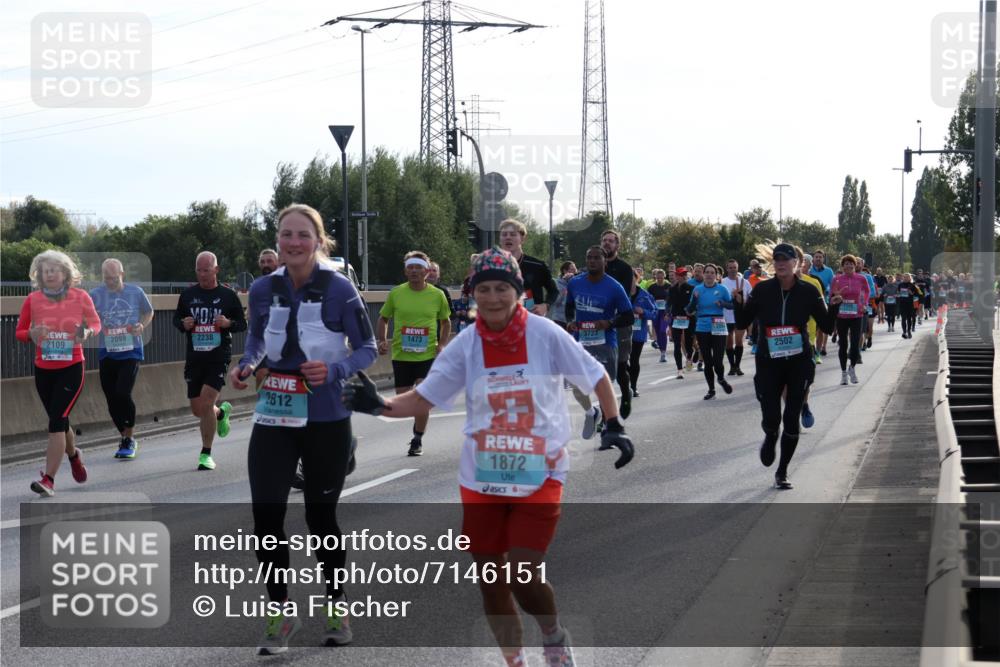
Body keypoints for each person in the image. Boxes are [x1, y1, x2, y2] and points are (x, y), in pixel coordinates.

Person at [342, 247, 634, 667]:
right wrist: (377, 404)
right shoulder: (465, 345)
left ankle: (553, 636)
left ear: (517, 291)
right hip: (482, 476)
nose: (493, 298)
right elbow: (425, 397)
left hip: (540, 470)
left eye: (502, 288)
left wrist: (614, 423)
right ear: (472, 294)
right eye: (484, 290)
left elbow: (596, 376)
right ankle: (514, 660)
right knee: (491, 581)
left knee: (521, 572)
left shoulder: (545, 334)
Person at [229, 203, 378, 654]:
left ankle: (336, 604)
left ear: (318, 241)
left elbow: (368, 347)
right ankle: (280, 613)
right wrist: (247, 363)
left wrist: (335, 371)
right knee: (266, 515)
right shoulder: (260, 289)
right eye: (285, 234)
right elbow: (256, 339)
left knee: (320, 516)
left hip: (327, 415)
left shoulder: (339, 288)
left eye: (302, 235)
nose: (293, 242)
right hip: (275, 412)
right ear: (278, 240)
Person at [736, 243, 841, 489]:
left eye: (786, 258)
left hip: (799, 362)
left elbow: (826, 326)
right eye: (777, 259)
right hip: (768, 363)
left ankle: (782, 471)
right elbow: (742, 322)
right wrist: (739, 303)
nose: (781, 263)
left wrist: (834, 306)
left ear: (797, 263)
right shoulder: (762, 290)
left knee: (792, 417)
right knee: (772, 418)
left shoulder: (808, 291)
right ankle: (771, 434)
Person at [16, 250, 100, 496]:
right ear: (39, 275)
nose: (50, 273)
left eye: (55, 269)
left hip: (71, 367)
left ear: (66, 273)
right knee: (60, 421)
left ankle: (49, 479)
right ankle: (73, 456)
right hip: (43, 369)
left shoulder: (80, 296)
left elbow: (96, 323)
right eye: (46, 270)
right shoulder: (32, 300)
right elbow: (20, 332)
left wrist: (86, 333)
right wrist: (31, 334)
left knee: (55, 422)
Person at [173, 251, 246, 470]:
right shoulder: (187, 296)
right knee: (199, 409)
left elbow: (242, 324)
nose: (202, 274)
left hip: (218, 356)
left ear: (216, 270)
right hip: (195, 358)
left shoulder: (228, 295)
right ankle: (221, 412)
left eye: (206, 270)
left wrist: (227, 324)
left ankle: (206, 454)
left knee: (205, 402)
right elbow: (177, 319)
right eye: (199, 270)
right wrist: (183, 324)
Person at [376, 250, 452, 457]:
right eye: (410, 267)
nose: (414, 271)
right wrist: (382, 340)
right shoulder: (396, 293)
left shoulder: (437, 295)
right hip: (401, 354)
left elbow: (446, 322)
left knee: (422, 398)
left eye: (418, 267)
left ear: (427, 271)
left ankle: (417, 439)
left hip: (426, 355)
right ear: (405, 271)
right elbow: (383, 318)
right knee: (404, 399)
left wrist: (442, 344)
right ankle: (417, 429)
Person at [565, 246, 635, 434]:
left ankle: (606, 426)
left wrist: (609, 322)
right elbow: (569, 307)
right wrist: (571, 321)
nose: (592, 261)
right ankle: (591, 412)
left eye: (597, 258)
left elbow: (628, 317)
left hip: (605, 343)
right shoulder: (575, 283)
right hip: (581, 341)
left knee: (604, 386)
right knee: (577, 386)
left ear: (605, 261)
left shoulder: (614, 287)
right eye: (589, 258)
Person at [89, 258, 154, 459]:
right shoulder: (95, 295)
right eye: (106, 278)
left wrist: (142, 325)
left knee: (123, 393)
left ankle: (129, 438)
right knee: (111, 399)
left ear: (122, 275)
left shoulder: (135, 292)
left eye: (114, 278)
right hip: (107, 352)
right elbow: (86, 317)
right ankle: (124, 436)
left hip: (131, 351)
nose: (110, 282)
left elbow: (149, 311)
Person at [600, 229, 636, 419]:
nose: (607, 243)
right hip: (598, 325)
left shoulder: (624, 268)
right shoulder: (594, 265)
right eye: (604, 240)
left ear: (617, 245)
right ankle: (606, 414)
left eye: (611, 241)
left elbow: (622, 297)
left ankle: (626, 394)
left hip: (619, 322)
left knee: (621, 365)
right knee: (601, 369)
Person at [686, 264, 736, 400]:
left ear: (716, 275)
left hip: (719, 324)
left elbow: (732, 305)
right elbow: (689, 310)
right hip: (702, 326)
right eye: (706, 272)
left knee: (718, 359)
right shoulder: (697, 289)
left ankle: (720, 378)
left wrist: (723, 303)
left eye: (712, 272)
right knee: (708, 361)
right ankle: (711, 389)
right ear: (703, 274)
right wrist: (694, 300)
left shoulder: (722, 289)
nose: (709, 275)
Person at [498, 219, 559, 317]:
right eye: (504, 234)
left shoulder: (538, 266)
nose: (508, 237)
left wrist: (545, 305)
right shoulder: (491, 266)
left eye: (513, 234)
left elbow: (554, 291)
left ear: (523, 238)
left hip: (532, 321)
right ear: (500, 239)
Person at [830, 255, 869, 386]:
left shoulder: (861, 279)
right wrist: (836, 297)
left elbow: (866, 292)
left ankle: (852, 368)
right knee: (843, 345)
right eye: (846, 264)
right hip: (841, 316)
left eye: (851, 263)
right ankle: (843, 374)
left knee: (855, 344)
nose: (849, 266)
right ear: (842, 266)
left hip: (856, 315)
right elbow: (831, 297)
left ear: (855, 265)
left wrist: (864, 304)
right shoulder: (836, 279)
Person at [627, 272, 657, 397]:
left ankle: (633, 387)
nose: (630, 280)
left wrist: (643, 311)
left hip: (638, 333)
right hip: (622, 332)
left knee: (634, 360)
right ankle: (626, 381)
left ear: (636, 278)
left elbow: (654, 313)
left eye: (632, 278)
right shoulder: (620, 292)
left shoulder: (644, 295)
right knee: (621, 361)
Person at [721, 259, 751, 376]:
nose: (733, 270)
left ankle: (737, 366)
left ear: (737, 268)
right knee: (728, 344)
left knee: (739, 342)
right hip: (726, 317)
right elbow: (720, 299)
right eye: (730, 267)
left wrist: (741, 300)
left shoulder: (745, 282)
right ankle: (732, 366)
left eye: (735, 267)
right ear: (727, 269)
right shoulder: (722, 282)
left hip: (740, 317)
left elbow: (751, 299)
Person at [668, 267, 695, 377]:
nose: (683, 276)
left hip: (688, 318)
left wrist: (692, 311)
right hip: (676, 319)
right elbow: (668, 302)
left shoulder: (691, 288)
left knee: (689, 344)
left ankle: (689, 358)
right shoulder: (672, 289)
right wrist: (666, 313)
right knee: (677, 344)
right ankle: (679, 369)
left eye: (684, 274)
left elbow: (694, 303)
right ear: (677, 276)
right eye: (680, 274)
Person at [808, 250, 835, 357]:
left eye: (820, 257)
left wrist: (827, 289)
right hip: (809, 302)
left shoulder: (829, 271)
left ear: (823, 259)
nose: (818, 259)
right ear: (813, 259)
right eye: (816, 257)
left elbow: (833, 285)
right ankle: (811, 348)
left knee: (821, 328)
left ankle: (820, 349)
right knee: (810, 328)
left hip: (824, 301)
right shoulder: (809, 271)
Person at [646, 269, 671, 362]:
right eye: (658, 277)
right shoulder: (652, 287)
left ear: (664, 277)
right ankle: (662, 352)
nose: (660, 279)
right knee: (657, 331)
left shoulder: (668, 286)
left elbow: (671, 300)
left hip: (665, 312)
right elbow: (648, 299)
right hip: (656, 312)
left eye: (661, 277)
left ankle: (664, 352)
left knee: (663, 331)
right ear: (655, 277)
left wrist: (668, 312)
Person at [550, 261, 577, 330]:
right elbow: (556, 301)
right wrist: (565, 289)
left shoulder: (577, 284)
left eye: (575, 269)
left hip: (573, 320)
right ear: (565, 271)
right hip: (559, 320)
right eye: (572, 269)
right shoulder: (557, 283)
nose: (575, 271)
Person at [897, 273, 920, 339]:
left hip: (910, 304)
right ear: (903, 278)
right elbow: (898, 293)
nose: (906, 278)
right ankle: (904, 332)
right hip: (902, 303)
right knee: (903, 318)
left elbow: (917, 294)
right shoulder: (900, 285)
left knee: (909, 319)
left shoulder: (913, 285)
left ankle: (909, 331)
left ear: (910, 278)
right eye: (904, 277)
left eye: (907, 277)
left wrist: (911, 293)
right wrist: (898, 295)